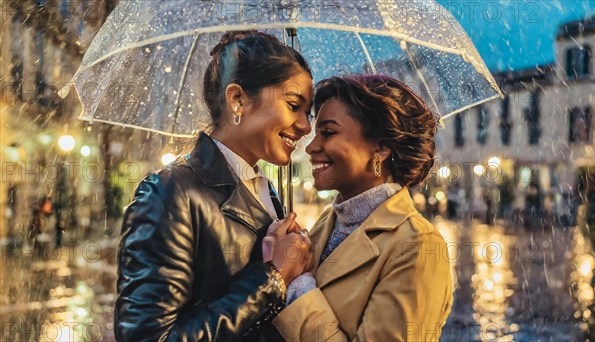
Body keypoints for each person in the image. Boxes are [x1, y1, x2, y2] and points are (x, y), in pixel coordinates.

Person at [114, 31, 314, 341]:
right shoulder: (171, 193)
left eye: (308, 112)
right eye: (293, 105)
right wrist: (272, 279)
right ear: (237, 99)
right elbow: (150, 337)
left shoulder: (265, 192)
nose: (305, 126)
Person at [272, 75, 453, 341]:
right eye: (315, 133)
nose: (311, 147)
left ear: (381, 148)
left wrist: (296, 285)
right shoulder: (327, 222)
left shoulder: (418, 246)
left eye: (329, 132)